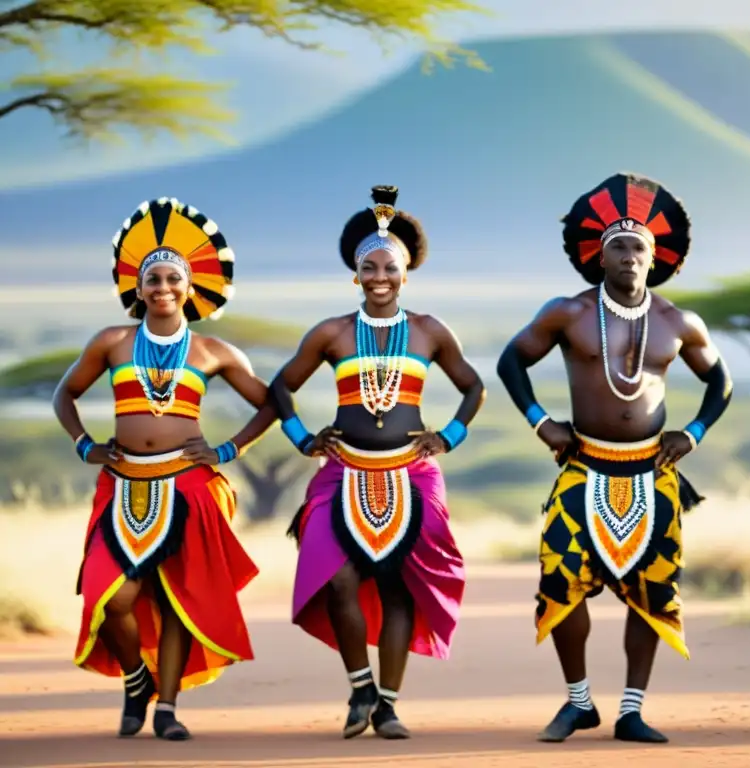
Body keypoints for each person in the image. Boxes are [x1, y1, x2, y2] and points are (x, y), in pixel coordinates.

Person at [495, 172, 732, 744]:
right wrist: (541, 422)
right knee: (560, 580)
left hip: (654, 470)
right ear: (600, 258)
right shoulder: (568, 313)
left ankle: (631, 710)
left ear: (656, 259)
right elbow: (510, 361)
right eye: (619, 247)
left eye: (640, 248)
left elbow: (721, 381)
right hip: (584, 466)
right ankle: (578, 702)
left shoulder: (678, 321)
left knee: (652, 591)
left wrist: (693, 433)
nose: (630, 256)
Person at [52, 197, 279, 741]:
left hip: (189, 486)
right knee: (115, 598)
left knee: (180, 599)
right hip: (123, 484)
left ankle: (167, 708)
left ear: (190, 285)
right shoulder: (111, 343)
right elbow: (66, 394)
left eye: (173, 277)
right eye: (152, 278)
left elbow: (272, 403)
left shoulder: (212, 351)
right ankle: (136, 680)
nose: (162, 288)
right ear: (136, 285)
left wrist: (230, 451)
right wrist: (86, 445)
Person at [269, 185, 485, 740]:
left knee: (399, 588)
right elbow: (281, 387)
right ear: (355, 273)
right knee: (336, 580)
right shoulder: (332, 332)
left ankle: (387, 704)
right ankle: (359, 687)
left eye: (391, 266)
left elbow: (473, 386)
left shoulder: (431, 331)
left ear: (407, 273)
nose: (380, 275)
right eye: (370, 266)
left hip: (413, 473)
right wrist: (301, 438)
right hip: (342, 471)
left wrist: (449, 436)